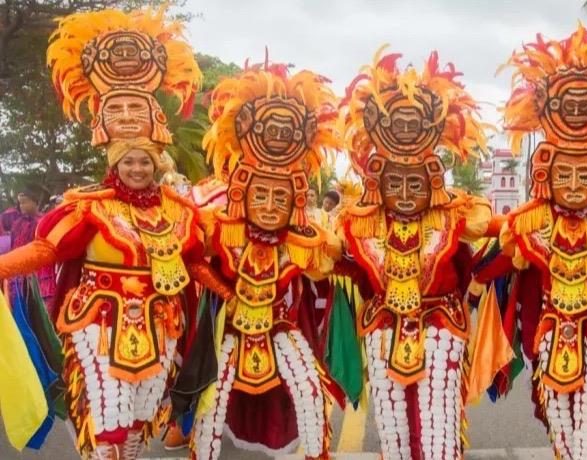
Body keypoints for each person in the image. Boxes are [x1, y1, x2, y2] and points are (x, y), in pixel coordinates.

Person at [0, 7, 232, 459]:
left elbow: (195, 261)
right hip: (98, 322)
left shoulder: (179, 209)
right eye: (129, 160)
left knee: (139, 423)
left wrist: (226, 289)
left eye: (145, 160)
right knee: (108, 420)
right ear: (114, 162)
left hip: (161, 324)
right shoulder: (90, 206)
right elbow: (48, 248)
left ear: (155, 161)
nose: (138, 167)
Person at [470, 25, 587, 460]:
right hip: (548, 334)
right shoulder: (530, 222)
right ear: (544, 176)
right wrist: (483, 259)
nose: (572, 185)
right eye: (562, 175)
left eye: (583, 176)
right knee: (556, 418)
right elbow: (490, 259)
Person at [175, 60, 342, 460]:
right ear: (242, 196)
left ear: (295, 202)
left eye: (280, 197)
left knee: (308, 388)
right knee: (212, 400)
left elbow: (330, 262)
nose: (269, 205)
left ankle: (318, 454)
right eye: (260, 196)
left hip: (281, 328)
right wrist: (223, 292)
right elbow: (190, 259)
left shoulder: (302, 240)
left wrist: (324, 238)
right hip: (231, 330)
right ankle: (202, 452)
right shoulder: (221, 229)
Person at [334, 47, 491, 459]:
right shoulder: (359, 224)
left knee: (438, 423)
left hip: (440, 323)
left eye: (416, 184)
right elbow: (334, 263)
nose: (405, 194)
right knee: (392, 429)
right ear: (377, 186)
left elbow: (493, 230)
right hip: (383, 324)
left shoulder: (453, 217)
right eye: (395, 185)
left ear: (434, 182)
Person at [3, 189, 57, 314]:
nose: (22, 206)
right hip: (18, 271)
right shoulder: (17, 224)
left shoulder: (43, 222)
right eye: (20, 203)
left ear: (35, 203)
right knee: (19, 306)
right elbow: (14, 246)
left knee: (39, 308)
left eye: (25, 202)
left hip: (39, 270)